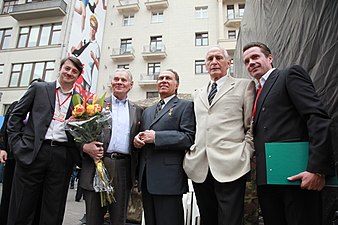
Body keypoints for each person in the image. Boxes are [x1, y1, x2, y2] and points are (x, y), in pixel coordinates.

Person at [242, 42, 333, 225]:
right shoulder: (256, 91)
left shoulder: (288, 75)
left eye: (255, 57)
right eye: (246, 61)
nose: (251, 62)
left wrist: (316, 169)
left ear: (270, 58)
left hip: (298, 178)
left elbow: (317, 118)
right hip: (268, 181)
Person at [6, 56, 83, 225]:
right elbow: (15, 117)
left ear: (78, 76)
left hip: (62, 156)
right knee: (22, 206)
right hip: (33, 152)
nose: (69, 73)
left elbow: (81, 132)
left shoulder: (80, 100)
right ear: (60, 68)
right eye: (67, 68)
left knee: (52, 209)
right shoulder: (39, 88)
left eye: (74, 71)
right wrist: (17, 145)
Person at [183, 46, 255, 225]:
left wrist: (246, 152)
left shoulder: (244, 85)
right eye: (209, 59)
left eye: (218, 58)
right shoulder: (197, 93)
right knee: (207, 218)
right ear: (205, 65)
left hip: (231, 163)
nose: (214, 62)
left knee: (230, 219)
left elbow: (251, 125)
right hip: (200, 165)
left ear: (228, 63)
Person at [80, 68, 143, 225]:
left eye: (123, 80)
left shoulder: (138, 110)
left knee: (118, 217)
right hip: (98, 164)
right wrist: (85, 146)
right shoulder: (96, 105)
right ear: (111, 83)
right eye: (116, 79)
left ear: (131, 85)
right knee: (93, 218)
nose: (119, 82)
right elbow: (77, 133)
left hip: (123, 167)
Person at [133, 69, 196, 225]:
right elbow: (143, 135)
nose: (163, 81)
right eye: (160, 78)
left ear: (177, 84)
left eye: (168, 78)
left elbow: (188, 137)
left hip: (169, 179)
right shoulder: (148, 111)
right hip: (146, 178)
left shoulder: (185, 106)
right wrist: (137, 140)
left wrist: (157, 138)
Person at [71, 14, 100, 92]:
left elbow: (99, 67)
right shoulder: (84, 39)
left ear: (96, 30)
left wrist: (94, 58)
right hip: (77, 73)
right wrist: (73, 50)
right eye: (91, 26)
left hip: (87, 77)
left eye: (94, 28)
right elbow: (76, 52)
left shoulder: (96, 46)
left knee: (82, 98)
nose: (92, 29)